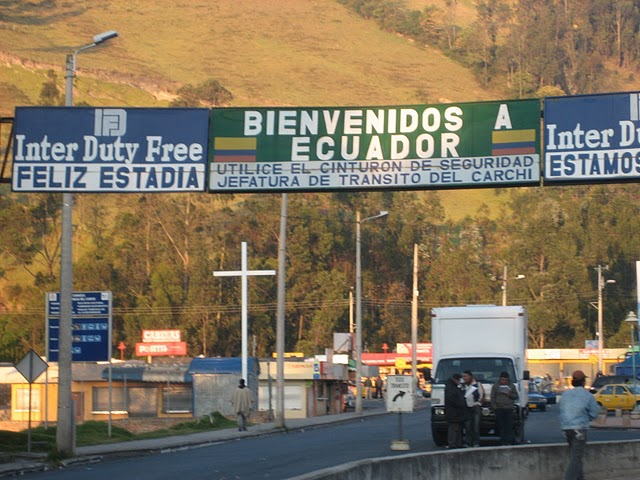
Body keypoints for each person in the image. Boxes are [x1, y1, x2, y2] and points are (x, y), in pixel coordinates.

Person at [559, 370, 600, 480]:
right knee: (576, 458)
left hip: (566, 429)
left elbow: (561, 410)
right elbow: (595, 412)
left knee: (576, 457)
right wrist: (587, 418)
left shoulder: (565, 394)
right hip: (580, 428)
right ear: (583, 382)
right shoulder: (587, 395)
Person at [491, 371, 518, 445]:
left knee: (508, 426)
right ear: (500, 379)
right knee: (501, 426)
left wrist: (510, 395)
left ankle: (509, 441)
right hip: (499, 408)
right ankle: (502, 441)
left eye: (506, 380)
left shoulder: (512, 386)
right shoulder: (496, 386)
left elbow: (516, 396)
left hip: (508, 408)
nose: (504, 382)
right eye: (503, 380)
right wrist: (495, 407)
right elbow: (492, 397)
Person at [444, 373, 466, 448]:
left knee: (457, 428)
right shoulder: (451, 388)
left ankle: (457, 443)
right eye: (459, 380)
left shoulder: (451, 386)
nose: (459, 382)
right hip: (454, 411)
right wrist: (461, 403)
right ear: (456, 380)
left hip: (455, 411)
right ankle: (452, 443)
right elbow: (452, 399)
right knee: (454, 428)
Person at [463, 370, 484, 447]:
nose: (464, 378)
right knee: (467, 426)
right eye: (463, 376)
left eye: (465, 376)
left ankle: (476, 442)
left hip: (475, 407)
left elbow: (482, 395)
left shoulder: (477, 385)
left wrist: (479, 404)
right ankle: (468, 442)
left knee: (476, 426)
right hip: (466, 408)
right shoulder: (463, 386)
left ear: (470, 376)